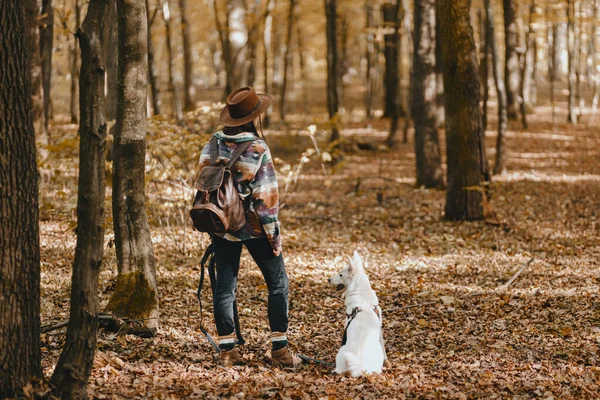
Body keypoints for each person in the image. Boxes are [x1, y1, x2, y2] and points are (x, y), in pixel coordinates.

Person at [197, 87, 301, 368]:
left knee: (225, 288)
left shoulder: (213, 143)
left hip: (223, 224)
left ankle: (228, 352)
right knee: (278, 283)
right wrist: (274, 238)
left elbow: (203, 183)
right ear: (254, 117)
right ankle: (279, 351)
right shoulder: (258, 148)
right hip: (254, 226)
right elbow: (265, 200)